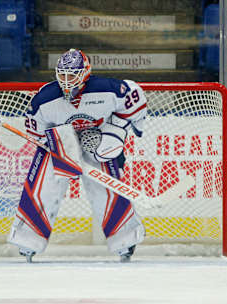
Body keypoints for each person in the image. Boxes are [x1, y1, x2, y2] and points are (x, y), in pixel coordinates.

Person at [9, 48, 148, 262]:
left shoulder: (107, 89)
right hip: (61, 142)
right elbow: (36, 130)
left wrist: (117, 129)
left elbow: (134, 97)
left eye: (71, 74)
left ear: (84, 73)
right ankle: (28, 240)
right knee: (44, 184)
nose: (66, 80)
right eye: (62, 74)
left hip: (96, 140)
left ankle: (125, 240)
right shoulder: (45, 99)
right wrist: (60, 145)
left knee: (106, 186)